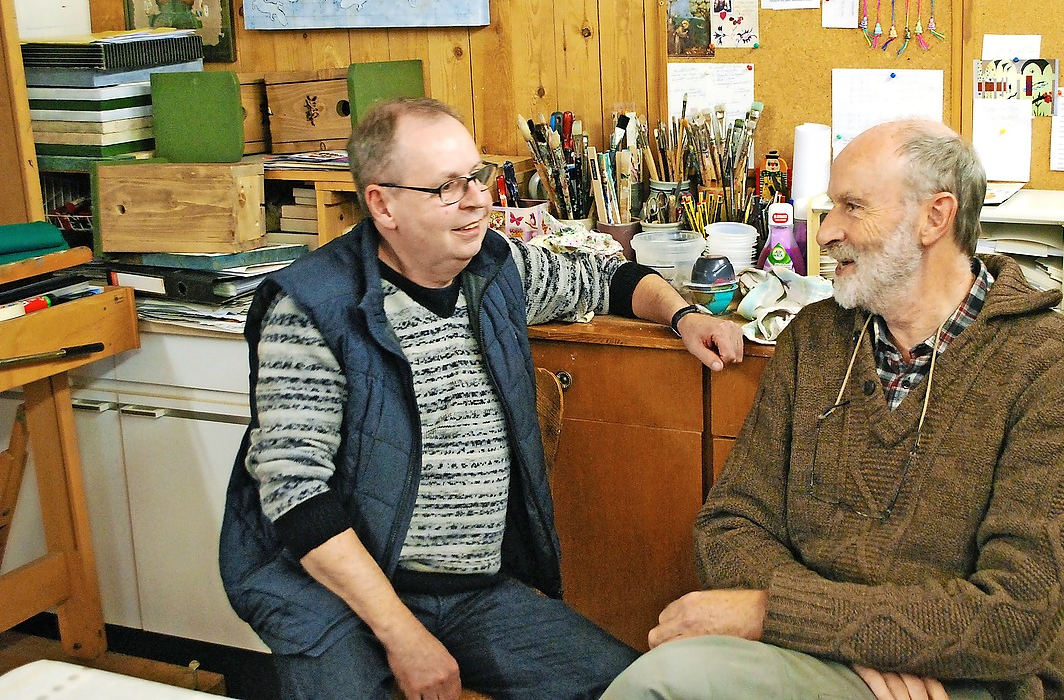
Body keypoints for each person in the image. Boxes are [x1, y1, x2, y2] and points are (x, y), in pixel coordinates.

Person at [220, 97, 744, 700]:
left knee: (641, 692)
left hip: (469, 591)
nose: (477, 200)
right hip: (339, 600)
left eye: (477, 176)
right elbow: (297, 498)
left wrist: (682, 315)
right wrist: (405, 636)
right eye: (447, 186)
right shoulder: (312, 306)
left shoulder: (495, 268)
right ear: (382, 204)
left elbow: (610, 281)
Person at [602, 119, 1064, 700]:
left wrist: (779, 614)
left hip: (965, 681)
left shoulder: (1055, 368)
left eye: (852, 207)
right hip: (810, 652)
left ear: (935, 217)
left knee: (664, 682)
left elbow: (1018, 619)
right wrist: (840, 637)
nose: (826, 232)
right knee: (651, 682)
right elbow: (730, 528)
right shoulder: (816, 339)